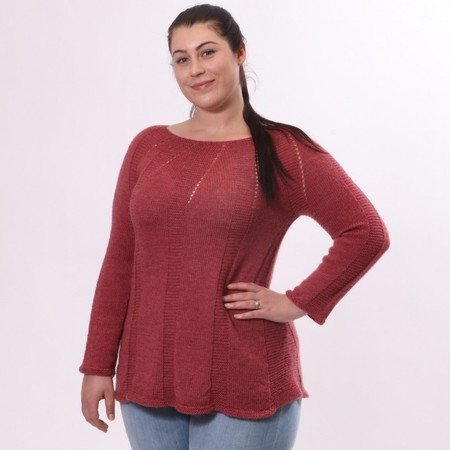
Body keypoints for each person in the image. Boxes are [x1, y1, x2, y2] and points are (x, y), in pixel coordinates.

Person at [79, 4, 390, 449]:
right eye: (181, 59)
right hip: (146, 378)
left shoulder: (285, 150)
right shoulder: (148, 147)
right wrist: (97, 364)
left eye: (207, 52)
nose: (195, 69)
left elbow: (366, 231)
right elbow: (120, 260)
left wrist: (298, 302)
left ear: (240, 52)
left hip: (246, 378)